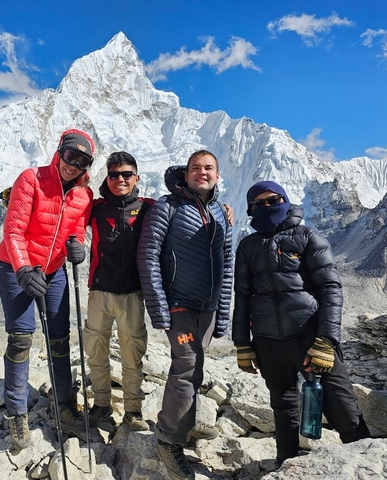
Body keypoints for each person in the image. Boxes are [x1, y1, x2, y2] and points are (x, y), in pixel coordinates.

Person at [232, 180, 370, 467]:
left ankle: (365, 464)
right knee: (284, 410)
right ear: (251, 210)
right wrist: (242, 343)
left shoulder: (309, 237)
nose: (267, 207)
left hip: (310, 337)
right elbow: (242, 296)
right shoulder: (247, 247)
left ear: (285, 200)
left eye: (273, 200)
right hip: (268, 342)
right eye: (259, 204)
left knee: (342, 406)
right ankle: (287, 466)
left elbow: (331, 289)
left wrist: (326, 341)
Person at [137, 150, 233, 480]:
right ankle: (168, 441)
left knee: (195, 367)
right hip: (178, 305)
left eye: (208, 168)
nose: (202, 173)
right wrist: (160, 308)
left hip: (207, 308)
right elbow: (148, 256)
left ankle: (184, 426)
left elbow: (227, 264)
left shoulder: (221, 212)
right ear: (186, 173)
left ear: (217, 176)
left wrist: (223, 313)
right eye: (196, 168)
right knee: (186, 365)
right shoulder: (168, 207)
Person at [0, 129, 94, 451]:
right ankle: (17, 413)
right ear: (59, 152)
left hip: (53, 272)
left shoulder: (84, 196)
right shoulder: (31, 179)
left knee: (59, 339)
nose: (73, 164)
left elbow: (76, 230)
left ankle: (64, 405)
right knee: (21, 339)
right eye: (70, 155)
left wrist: (77, 246)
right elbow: (13, 230)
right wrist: (23, 268)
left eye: (82, 161)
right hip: (16, 267)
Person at [83, 151, 155, 432]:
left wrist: (222, 208)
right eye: (114, 174)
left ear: (136, 178)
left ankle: (133, 410)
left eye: (126, 174)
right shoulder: (96, 208)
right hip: (99, 293)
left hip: (133, 295)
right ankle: (101, 405)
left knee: (132, 354)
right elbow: (63, 210)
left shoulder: (149, 207)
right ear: (107, 178)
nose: (120, 179)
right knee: (96, 352)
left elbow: (182, 209)